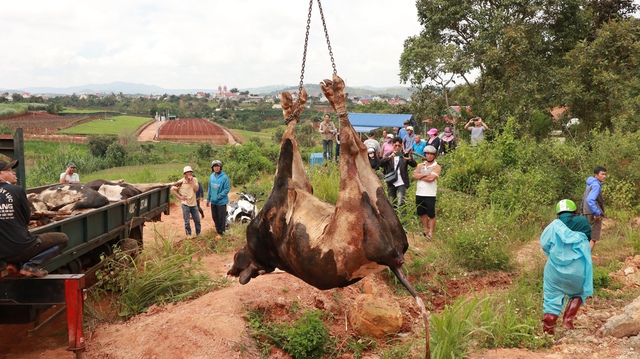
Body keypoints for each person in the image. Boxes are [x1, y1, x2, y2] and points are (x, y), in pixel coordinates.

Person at [0, 159, 68, 277]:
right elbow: (26, 219)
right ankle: (31, 265)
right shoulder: (17, 190)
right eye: (9, 170)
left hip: (2, 253)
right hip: (21, 248)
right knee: (62, 239)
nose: (14, 173)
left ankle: (13, 264)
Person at [541, 199, 593, 335]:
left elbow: (544, 245)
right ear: (574, 211)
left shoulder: (553, 226)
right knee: (579, 292)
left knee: (551, 296)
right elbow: (588, 239)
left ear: (558, 213)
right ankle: (568, 320)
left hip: (554, 269)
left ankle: (548, 330)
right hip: (578, 268)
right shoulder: (582, 222)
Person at [380, 137, 417, 218]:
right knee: (391, 203)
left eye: (399, 146)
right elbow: (380, 163)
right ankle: (393, 221)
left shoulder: (404, 154)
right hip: (391, 182)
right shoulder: (388, 154)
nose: (397, 147)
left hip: (401, 182)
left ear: (402, 145)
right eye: (395, 145)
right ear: (392, 145)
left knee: (401, 202)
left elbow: (414, 164)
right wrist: (389, 157)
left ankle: (403, 223)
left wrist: (409, 159)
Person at [412, 146, 441, 240]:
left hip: (430, 194)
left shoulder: (437, 167)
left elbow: (431, 179)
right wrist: (425, 174)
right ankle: (426, 230)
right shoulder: (420, 165)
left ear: (434, 155)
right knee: (422, 213)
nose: (429, 156)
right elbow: (414, 175)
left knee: (431, 214)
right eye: (427, 154)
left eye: (431, 154)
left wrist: (420, 175)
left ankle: (431, 232)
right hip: (419, 192)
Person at [171, 166, 201, 237]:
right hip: (185, 204)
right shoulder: (181, 182)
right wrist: (180, 197)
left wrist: (192, 182)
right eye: (187, 172)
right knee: (187, 221)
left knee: (197, 220)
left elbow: (196, 189)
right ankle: (188, 234)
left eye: (190, 172)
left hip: (193, 204)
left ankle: (198, 234)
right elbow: (172, 189)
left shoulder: (195, 179)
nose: (189, 173)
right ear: (184, 174)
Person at [581, 166, 606, 251]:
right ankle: (585, 258)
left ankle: (581, 256)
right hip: (593, 213)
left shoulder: (590, 184)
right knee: (593, 238)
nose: (604, 176)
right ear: (596, 175)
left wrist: (583, 210)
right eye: (602, 174)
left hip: (586, 212)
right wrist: (597, 213)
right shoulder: (596, 185)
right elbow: (590, 199)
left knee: (586, 236)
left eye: (605, 174)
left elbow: (584, 198)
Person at [206, 160, 230, 239]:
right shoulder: (211, 176)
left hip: (221, 202)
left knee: (221, 218)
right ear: (212, 168)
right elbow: (209, 188)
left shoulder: (224, 177)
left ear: (220, 167)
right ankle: (218, 231)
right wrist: (208, 199)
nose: (216, 168)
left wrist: (218, 196)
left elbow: (227, 189)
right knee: (214, 217)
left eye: (218, 166)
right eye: (215, 166)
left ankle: (221, 234)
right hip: (213, 202)